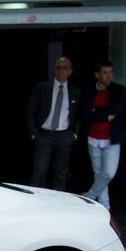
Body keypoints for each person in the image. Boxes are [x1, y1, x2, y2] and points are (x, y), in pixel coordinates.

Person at [25, 57, 80, 190]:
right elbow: (29, 111)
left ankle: (57, 205)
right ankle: (34, 202)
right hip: (44, 134)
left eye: (65, 68)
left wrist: (74, 135)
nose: (61, 71)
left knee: (61, 174)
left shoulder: (75, 92)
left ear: (70, 71)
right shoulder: (42, 88)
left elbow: (78, 115)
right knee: (40, 171)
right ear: (54, 70)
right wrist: (34, 134)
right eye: (58, 68)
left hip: (65, 135)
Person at [80, 61, 126, 214]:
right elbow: (86, 116)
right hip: (93, 139)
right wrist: (105, 115)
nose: (109, 75)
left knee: (108, 173)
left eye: (111, 72)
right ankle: (105, 206)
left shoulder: (119, 90)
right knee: (98, 173)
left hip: (111, 140)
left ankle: (91, 196)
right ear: (97, 75)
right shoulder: (88, 92)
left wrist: (96, 112)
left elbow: (117, 109)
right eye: (105, 72)